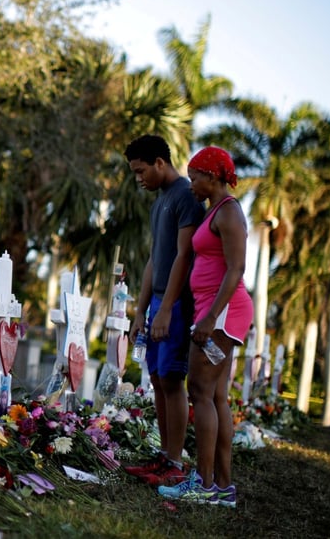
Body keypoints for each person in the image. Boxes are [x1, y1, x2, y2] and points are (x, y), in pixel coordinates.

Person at [159, 146, 253, 508]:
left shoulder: (228, 212)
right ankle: (222, 487)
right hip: (217, 311)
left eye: (195, 176)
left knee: (199, 390)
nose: (191, 184)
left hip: (222, 313)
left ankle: (204, 483)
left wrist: (211, 317)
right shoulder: (217, 210)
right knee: (214, 397)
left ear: (212, 177)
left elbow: (236, 269)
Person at [122, 134, 205, 487]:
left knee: (172, 380)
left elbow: (184, 257)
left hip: (178, 302)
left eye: (141, 171)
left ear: (160, 162)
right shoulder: (159, 203)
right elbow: (155, 260)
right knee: (156, 378)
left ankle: (175, 461)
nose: (139, 178)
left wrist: (168, 308)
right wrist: (141, 312)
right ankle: (164, 456)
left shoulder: (186, 196)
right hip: (157, 300)